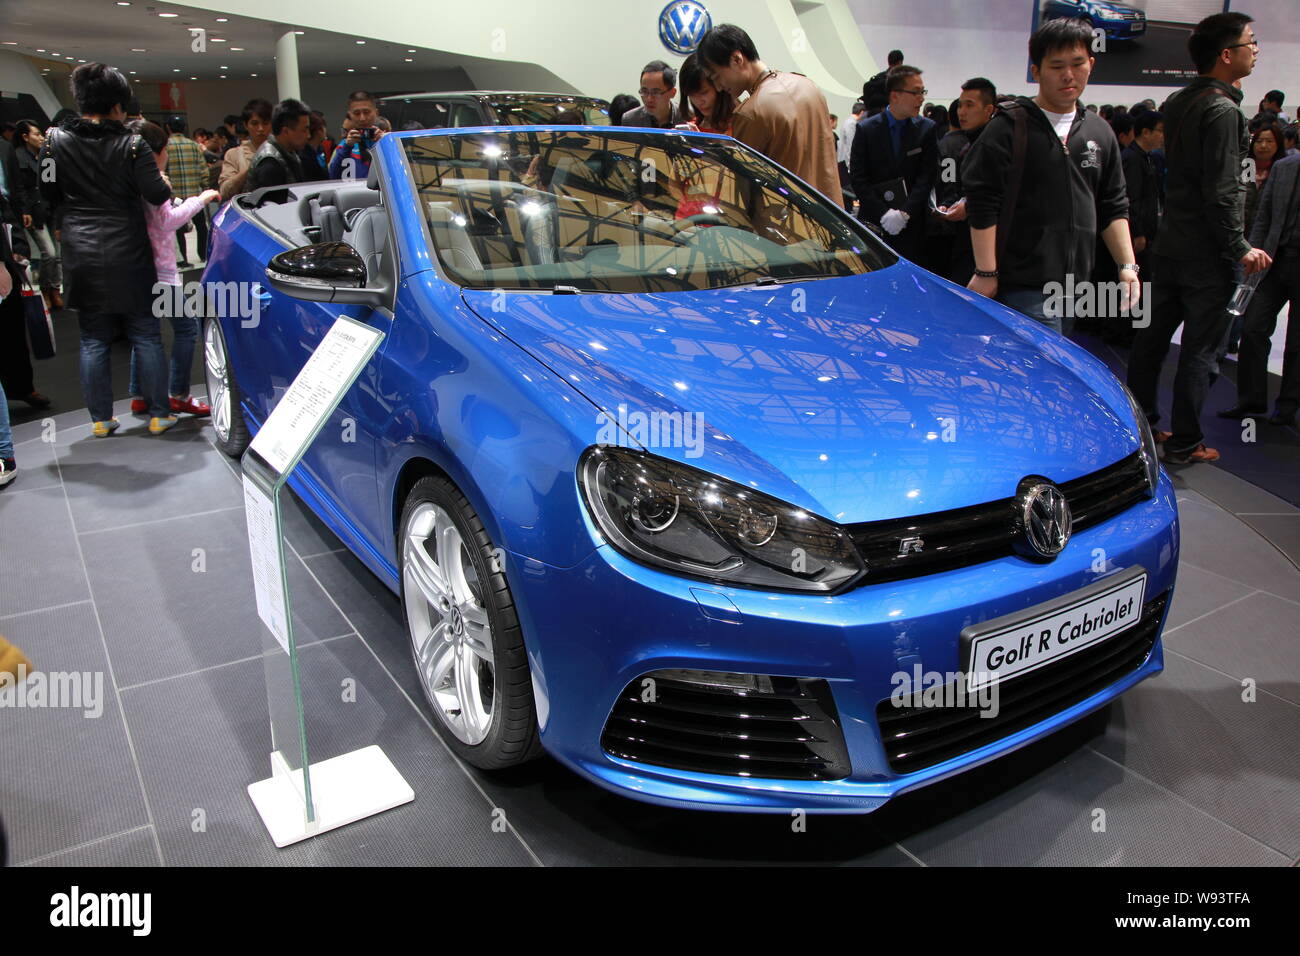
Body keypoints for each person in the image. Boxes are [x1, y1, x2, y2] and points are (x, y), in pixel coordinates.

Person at [1127, 11, 1271, 464]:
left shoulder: (1178, 101)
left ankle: (1142, 425)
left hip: (1172, 242)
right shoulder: (1224, 111)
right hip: (1207, 253)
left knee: (1151, 342)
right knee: (1200, 352)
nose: (1256, 50)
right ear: (1226, 55)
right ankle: (1186, 441)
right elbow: (1223, 189)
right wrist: (1239, 246)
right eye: (1251, 43)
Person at [962, 17, 1135, 334]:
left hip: (1078, 287)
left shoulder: (1099, 131)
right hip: (1024, 286)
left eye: (1078, 63)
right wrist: (986, 272)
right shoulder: (1009, 127)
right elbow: (983, 200)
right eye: (1056, 66)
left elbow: (1113, 204)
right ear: (1036, 71)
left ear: (1091, 64)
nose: (1068, 75)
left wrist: (1127, 266)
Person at [39, 62, 175, 436]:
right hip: (128, 250)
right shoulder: (133, 145)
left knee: (92, 338)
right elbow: (157, 193)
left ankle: (100, 420)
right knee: (146, 333)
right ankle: (159, 415)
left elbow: (46, 190)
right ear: (118, 103)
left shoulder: (52, 143)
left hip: (80, 252)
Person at [125, 121, 218, 420]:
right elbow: (167, 220)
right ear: (160, 151)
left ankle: (140, 395)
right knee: (185, 329)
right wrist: (199, 200)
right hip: (161, 272)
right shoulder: (153, 182)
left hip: (137, 269)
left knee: (144, 334)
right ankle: (179, 395)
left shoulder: (126, 179)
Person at [697, 23, 839, 201]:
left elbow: (743, 188)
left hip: (788, 222)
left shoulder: (751, 112)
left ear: (737, 59)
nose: (718, 87)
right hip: (831, 217)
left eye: (717, 76)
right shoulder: (808, 86)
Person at [1220, 149, 1300, 427]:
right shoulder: (1284, 167)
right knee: (1253, 328)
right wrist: (1250, 254)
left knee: (1297, 343)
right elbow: (1263, 216)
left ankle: (1288, 407)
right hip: (1273, 261)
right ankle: (1251, 401)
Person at [849, 65, 939, 262]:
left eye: (922, 92)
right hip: (874, 222)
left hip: (913, 225)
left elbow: (927, 176)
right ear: (895, 95)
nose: (921, 98)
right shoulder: (867, 129)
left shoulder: (927, 129)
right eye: (915, 92)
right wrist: (884, 213)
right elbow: (858, 177)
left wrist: (905, 213)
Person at [934, 77, 997, 284]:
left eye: (970, 105)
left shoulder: (993, 146)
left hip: (987, 247)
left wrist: (963, 204)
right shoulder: (965, 146)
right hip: (962, 235)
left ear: (988, 110)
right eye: (960, 105)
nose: (963, 112)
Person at [12, 120, 63, 311]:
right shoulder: (18, 158)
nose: (40, 137)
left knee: (57, 254)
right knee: (48, 253)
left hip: (50, 208)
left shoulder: (46, 157)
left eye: (40, 134)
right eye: (36, 134)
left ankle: (55, 290)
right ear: (25, 137)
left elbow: (52, 185)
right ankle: (45, 289)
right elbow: (20, 189)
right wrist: (25, 210)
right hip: (35, 210)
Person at [163, 116, 209, 267]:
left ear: (168, 127)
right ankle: (204, 255)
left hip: (175, 196)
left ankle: (183, 260)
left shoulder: (165, 146)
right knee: (202, 226)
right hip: (195, 194)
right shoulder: (194, 146)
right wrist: (205, 187)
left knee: (179, 229)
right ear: (184, 128)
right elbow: (203, 171)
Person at [247, 98, 311, 190]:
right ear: (286, 131)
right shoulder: (270, 163)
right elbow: (273, 203)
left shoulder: (289, 152)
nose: (308, 135)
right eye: (304, 130)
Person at [218, 98, 271, 200]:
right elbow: (224, 191)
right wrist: (250, 168)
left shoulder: (281, 151)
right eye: (255, 123)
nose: (260, 129)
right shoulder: (234, 154)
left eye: (265, 123)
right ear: (246, 125)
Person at [329, 91, 386, 181]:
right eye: (356, 113)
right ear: (350, 115)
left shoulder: (386, 141)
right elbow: (332, 176)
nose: (362, 118)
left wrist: (384, 144)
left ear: (376, 113)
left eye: (366, 112)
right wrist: (347, 147)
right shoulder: (343, 146)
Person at [676, 53, 735, 134]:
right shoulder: (693, 126)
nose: (699, 101)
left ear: (719, 85)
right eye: (692, 95)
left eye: (704, 93)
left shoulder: (739, 123)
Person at [619, 60, 684, 128]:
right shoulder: (631, 120)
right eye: (644, 91)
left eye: (656, 93)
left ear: (672, 93)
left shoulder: (687, 118)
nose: (649, 99)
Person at [837, 101, 865, 211]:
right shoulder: (851, 124)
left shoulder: (847, 122)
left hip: (844, 163)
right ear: (862, 112)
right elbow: (851, 146)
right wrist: (851, 167)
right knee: (850, 196)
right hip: (847, 165)